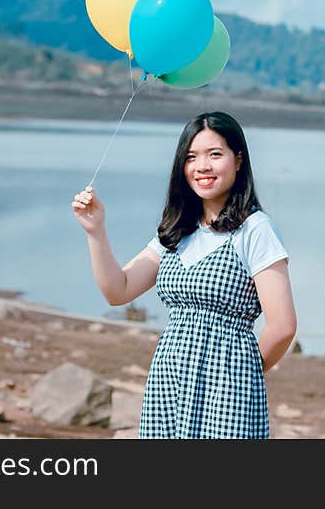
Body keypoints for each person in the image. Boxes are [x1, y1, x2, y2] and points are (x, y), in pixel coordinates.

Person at [71, 111, 297, 438]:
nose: (201, 166)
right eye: (191, 157)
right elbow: (117, 290)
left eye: (214, 154)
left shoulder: (255, 229)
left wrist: (241, 373)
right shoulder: (178, 231)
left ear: (238, 160)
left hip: (229, 385)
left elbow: (283, 326)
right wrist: (96, 232)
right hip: (168, 379)